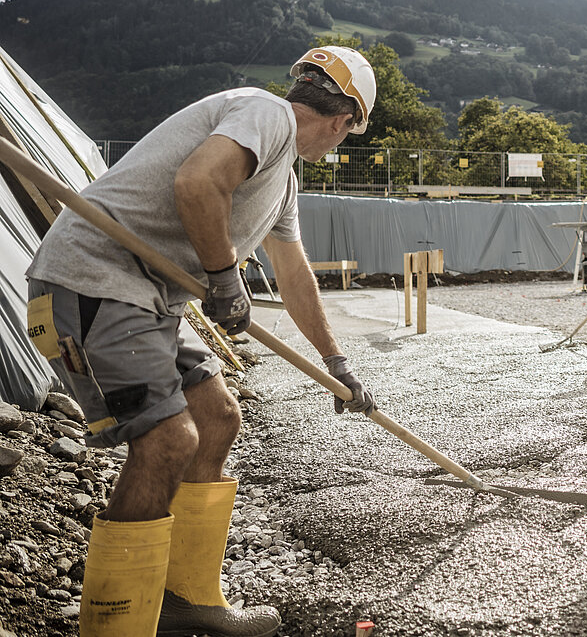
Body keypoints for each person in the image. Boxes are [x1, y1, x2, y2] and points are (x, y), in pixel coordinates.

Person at [26, 46, 379, 637]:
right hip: (91, 279)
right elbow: (196, 182)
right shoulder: (267, 114)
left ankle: (185, 599)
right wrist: (224, 277)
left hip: (148, 298)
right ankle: (115, 628)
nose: (338, 144)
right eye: (347, 134)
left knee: (217, 417)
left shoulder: (281, 180)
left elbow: (294, 274)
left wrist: (335, 362)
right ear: (345, 120)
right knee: (168, 439)